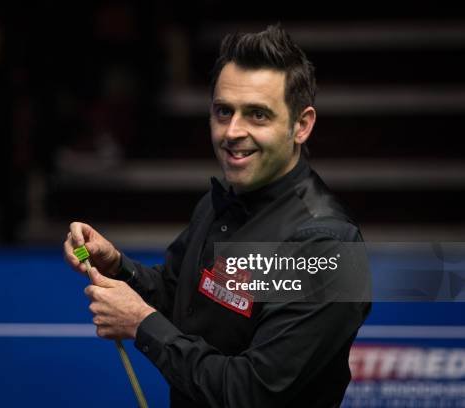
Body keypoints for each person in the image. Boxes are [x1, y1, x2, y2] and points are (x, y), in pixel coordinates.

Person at [64, 24, 370, 408]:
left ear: (301, 125)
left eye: (258, 115)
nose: (232, 132)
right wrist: (120, 268)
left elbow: (251, 392)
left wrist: (141, 324)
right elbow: (181, 297)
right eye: (223, 111)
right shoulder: (222, 200)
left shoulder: (327, 245)